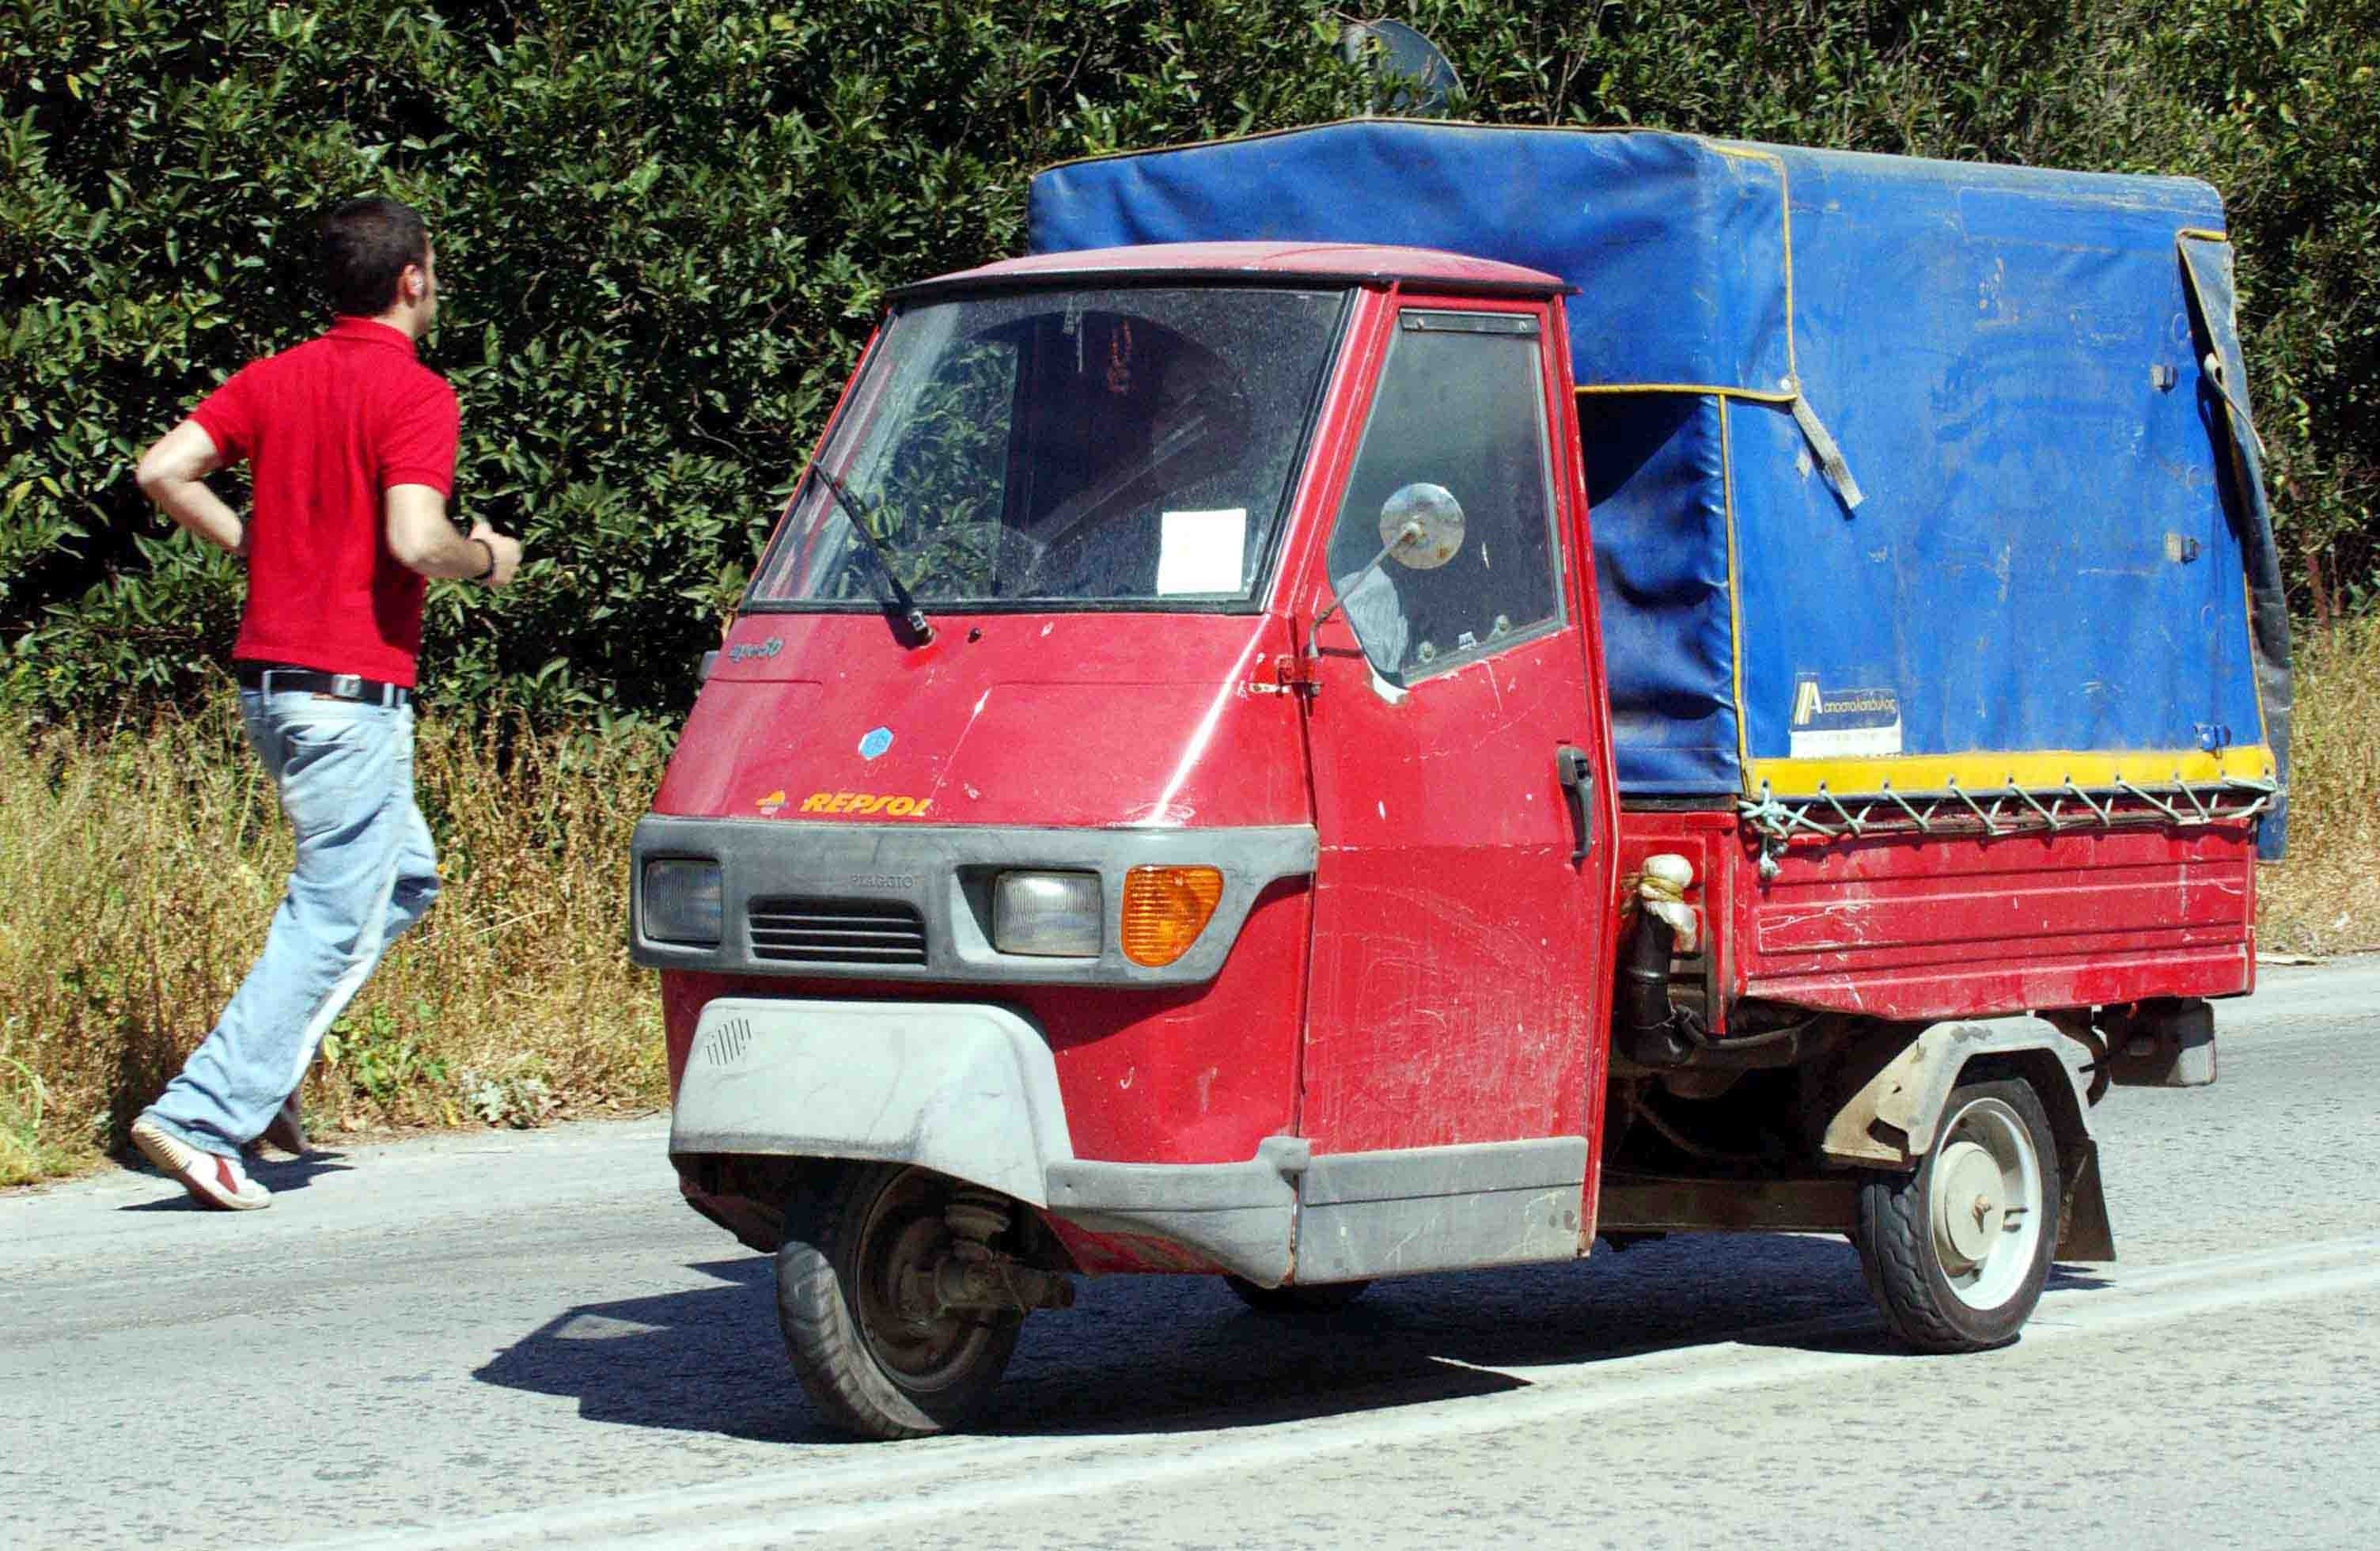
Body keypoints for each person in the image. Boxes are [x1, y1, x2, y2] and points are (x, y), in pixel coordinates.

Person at [126, 196, 523, 1210]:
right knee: (334, 910)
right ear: (413, 280)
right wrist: (487, 560)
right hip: (350, 694)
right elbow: (414, 540)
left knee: (404, 878)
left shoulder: (277, 377)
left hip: (272, 684)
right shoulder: (417, 393)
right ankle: (204, 1114)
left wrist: (248, 543)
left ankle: (262, 1084)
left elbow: (163, 469)